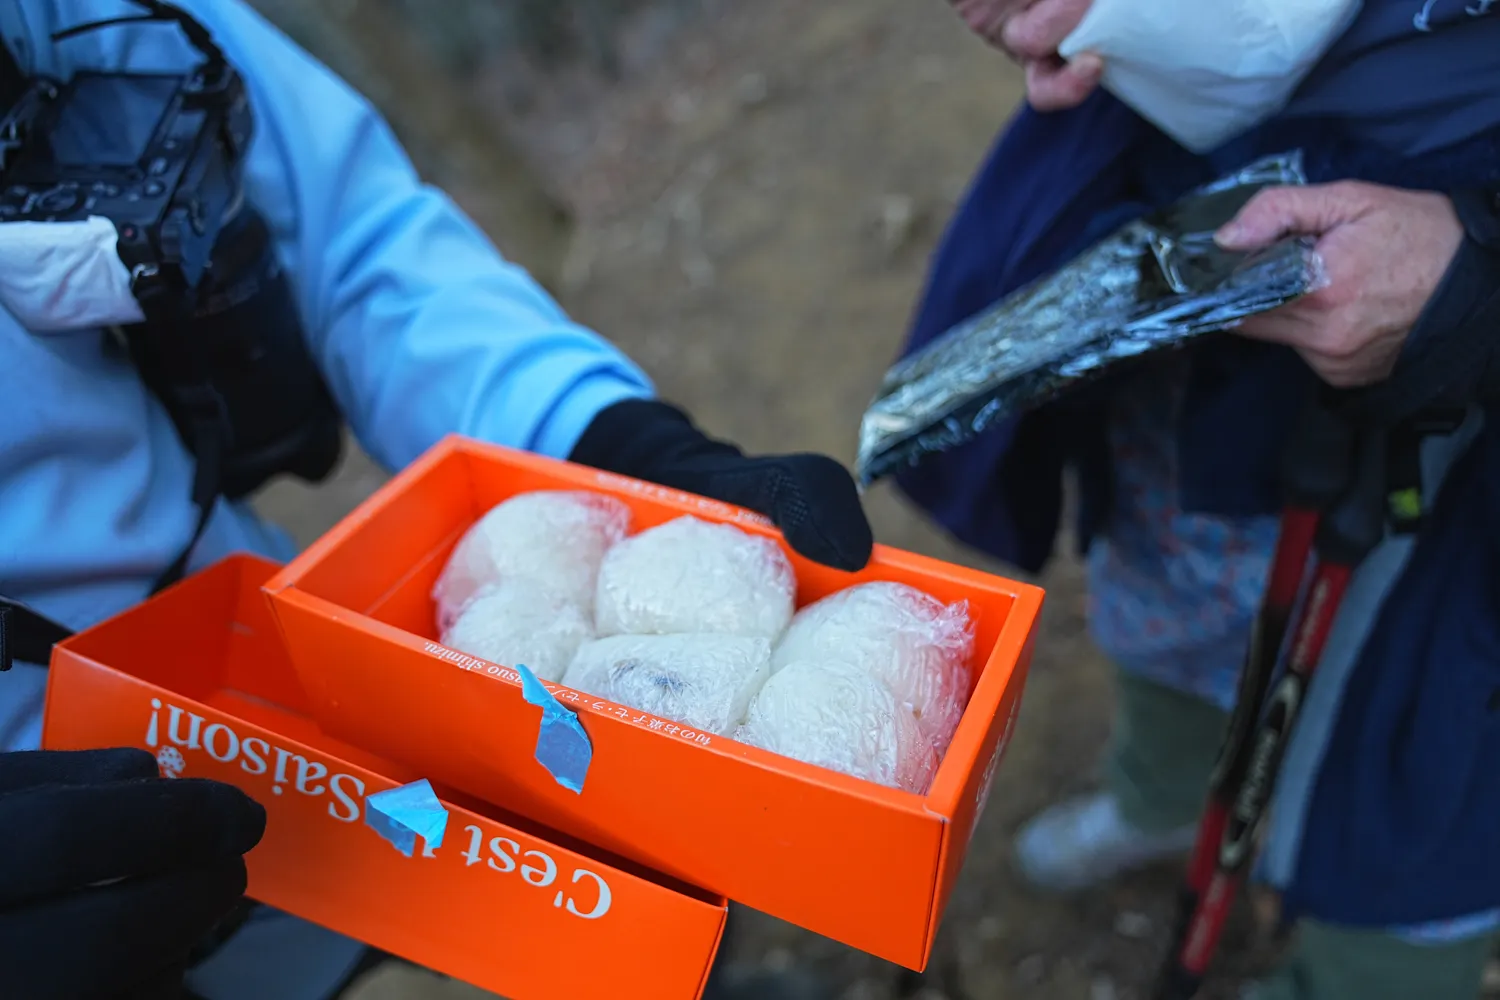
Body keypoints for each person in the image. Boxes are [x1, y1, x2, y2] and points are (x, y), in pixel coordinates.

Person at [0, 1, 871, 997]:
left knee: (585, 925)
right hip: (56, 900)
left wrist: (601, 442)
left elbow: (346, 240)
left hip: (272, 682)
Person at [899, 1, 1500, 997]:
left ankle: (1359, 976)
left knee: (1426, 754)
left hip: (1462, 429)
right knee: (1163, 581)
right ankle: (1164, 796)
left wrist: (1479, 270)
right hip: (1208, 231)